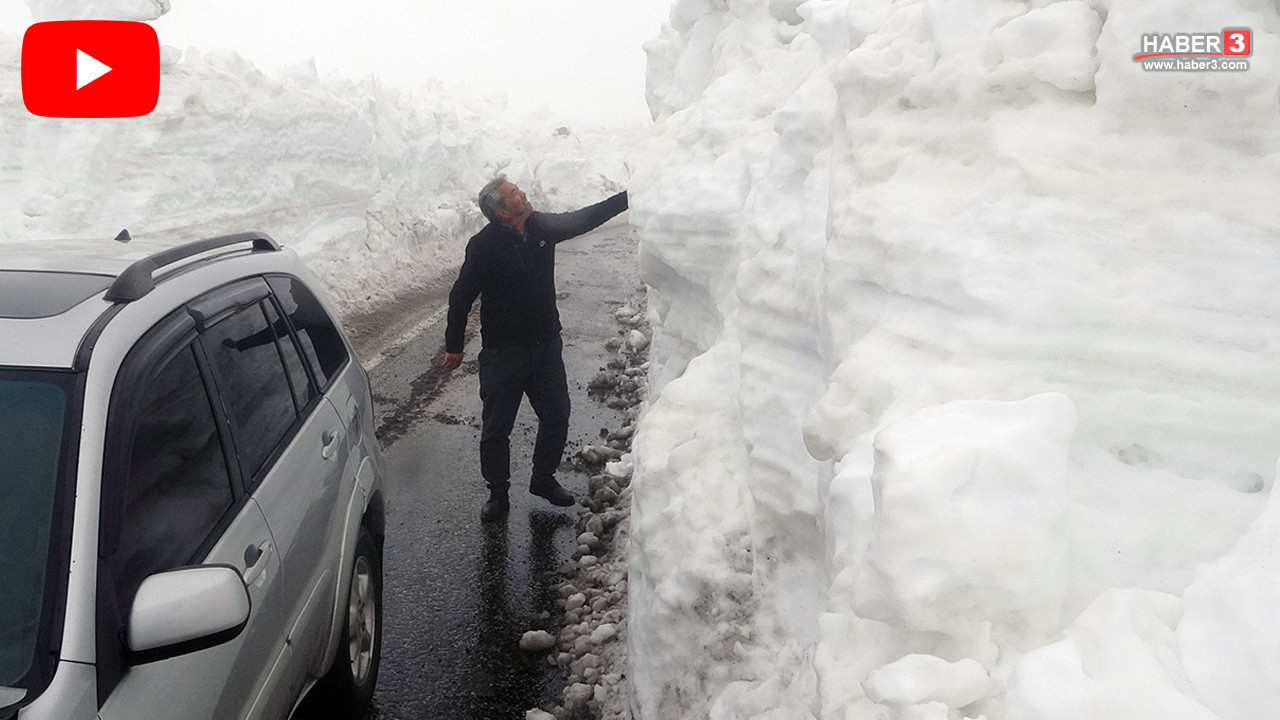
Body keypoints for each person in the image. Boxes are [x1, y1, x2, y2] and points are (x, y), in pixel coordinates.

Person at [443, 176, 628, 522]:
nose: (523, 194)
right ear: (501, 212)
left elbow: (583, 218)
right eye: (514, 193)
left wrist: (628, 198)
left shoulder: (540, 225)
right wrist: (454, 345)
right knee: (497, 426)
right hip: (503, 352)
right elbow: (461, 296)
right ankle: (498, 493)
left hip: (545, 345)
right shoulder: (483, 246)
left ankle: (543, 478)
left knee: (557, 413)